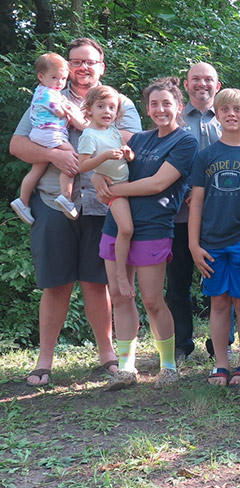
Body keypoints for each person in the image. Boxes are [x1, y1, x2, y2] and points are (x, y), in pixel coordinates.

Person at [11, 37, 141, 386]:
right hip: (54, 200)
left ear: (102, 66)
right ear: (67, 67)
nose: (83, 67)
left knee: (98, 282)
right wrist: (53, 155)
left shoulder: (120, 102)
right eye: (76, 61)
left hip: (103, 204)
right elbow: (17, 144)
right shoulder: (46, 96)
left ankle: (107, 354)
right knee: (55, 282)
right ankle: (45, 359)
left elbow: (130, 144)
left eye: (90, 62)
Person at [91, 77, 199, 389]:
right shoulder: (137, 140)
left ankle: (168, 366)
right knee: (121, 295)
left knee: (152, 300)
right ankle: (126, 368)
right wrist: (100, 181)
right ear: (147, 108)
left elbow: (157, 184)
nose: (160, 109)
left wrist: (114, 191)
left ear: (178, 107)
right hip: (116, 226)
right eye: (154, 104)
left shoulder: (185, 142)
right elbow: (107, 166)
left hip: (153, 227)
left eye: (167, 103)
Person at [189, 89, 240, 386]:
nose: (231, 114)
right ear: (218, 114)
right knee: (219, 302)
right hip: (212, 242)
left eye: (237, 109)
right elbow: (196, 203)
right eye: (224, 109)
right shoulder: (205, 156)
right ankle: (221, 364)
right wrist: (193, 244)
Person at [166, 62, 222, 362]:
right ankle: (182, 344)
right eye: (196, 79)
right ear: (186, 85)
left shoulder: (228, 118)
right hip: (177, 215)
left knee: (218, 280)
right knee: (178, 282)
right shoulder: (171, 118)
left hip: (218, 216)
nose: (202, 84)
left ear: (218, 85)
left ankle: (219, 343)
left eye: (208, 79)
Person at [12, 53, 85, 223]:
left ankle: (23, 200)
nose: (59, 83)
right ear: (41, 76)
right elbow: (59, 111)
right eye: (55, 78)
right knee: (72, 161)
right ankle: (66, 197)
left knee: (37, 169)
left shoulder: (40, 91)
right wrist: (68, 111)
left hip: (41, 133)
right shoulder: (49, 94)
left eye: (63, 79)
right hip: (51, 133)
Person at [77, 86, 136, 294]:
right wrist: (104, 157)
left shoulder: (113, 131)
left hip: (130, 186)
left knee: (133, 231)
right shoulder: (89, 135)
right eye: (101, 106)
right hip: (114, 190)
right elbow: (82, 166)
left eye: (112, 107)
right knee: (126, 229)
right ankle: (120, 274)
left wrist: (128, 153)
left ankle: (128, 271)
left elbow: (129, 156)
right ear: (89, 110)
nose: (107, 111)